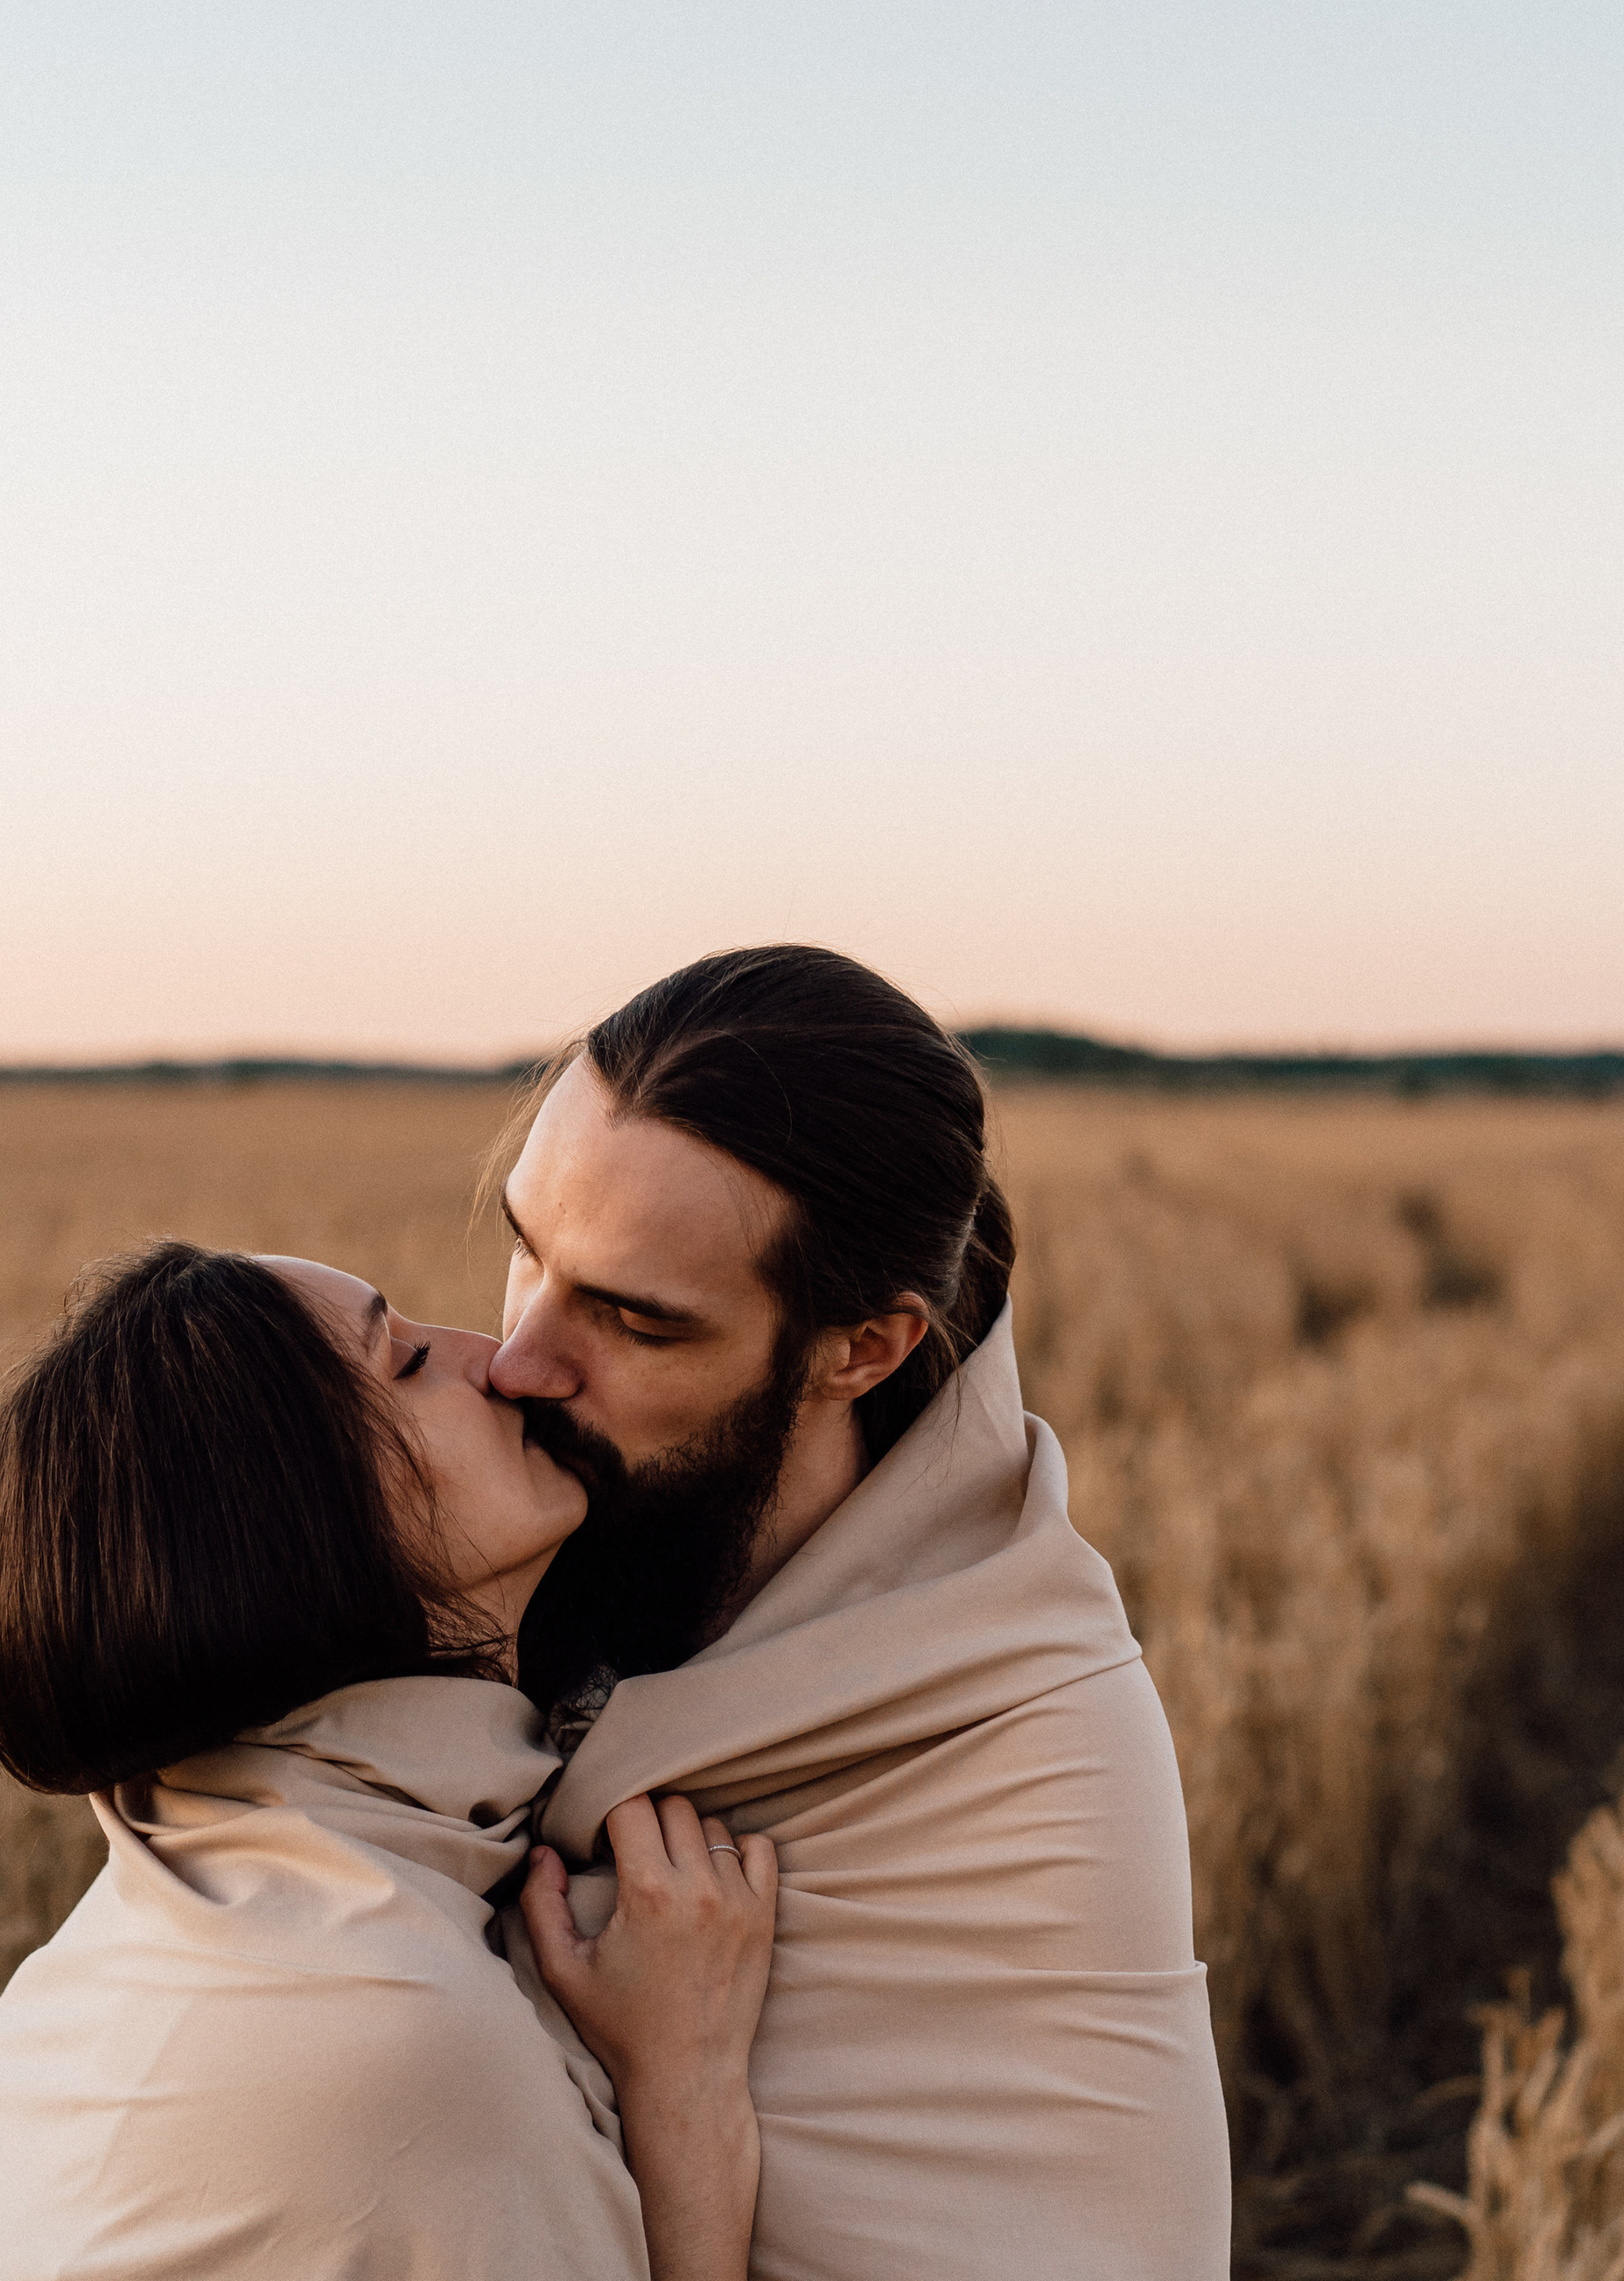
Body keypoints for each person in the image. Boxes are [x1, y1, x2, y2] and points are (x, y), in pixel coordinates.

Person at [486, 945, 1232, 2281]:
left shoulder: (1026, 1761)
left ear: (862, 1350)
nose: (519, 1361)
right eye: (525, 1253)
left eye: (636, 1321)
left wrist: (687, 2098)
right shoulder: (487, 1547)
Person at [0, 1240, 777, 2281]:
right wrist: (686, 2089)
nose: (497, 1359)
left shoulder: (34, 2025)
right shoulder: (398, 2042)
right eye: (408, 1363)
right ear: (288, 1525)